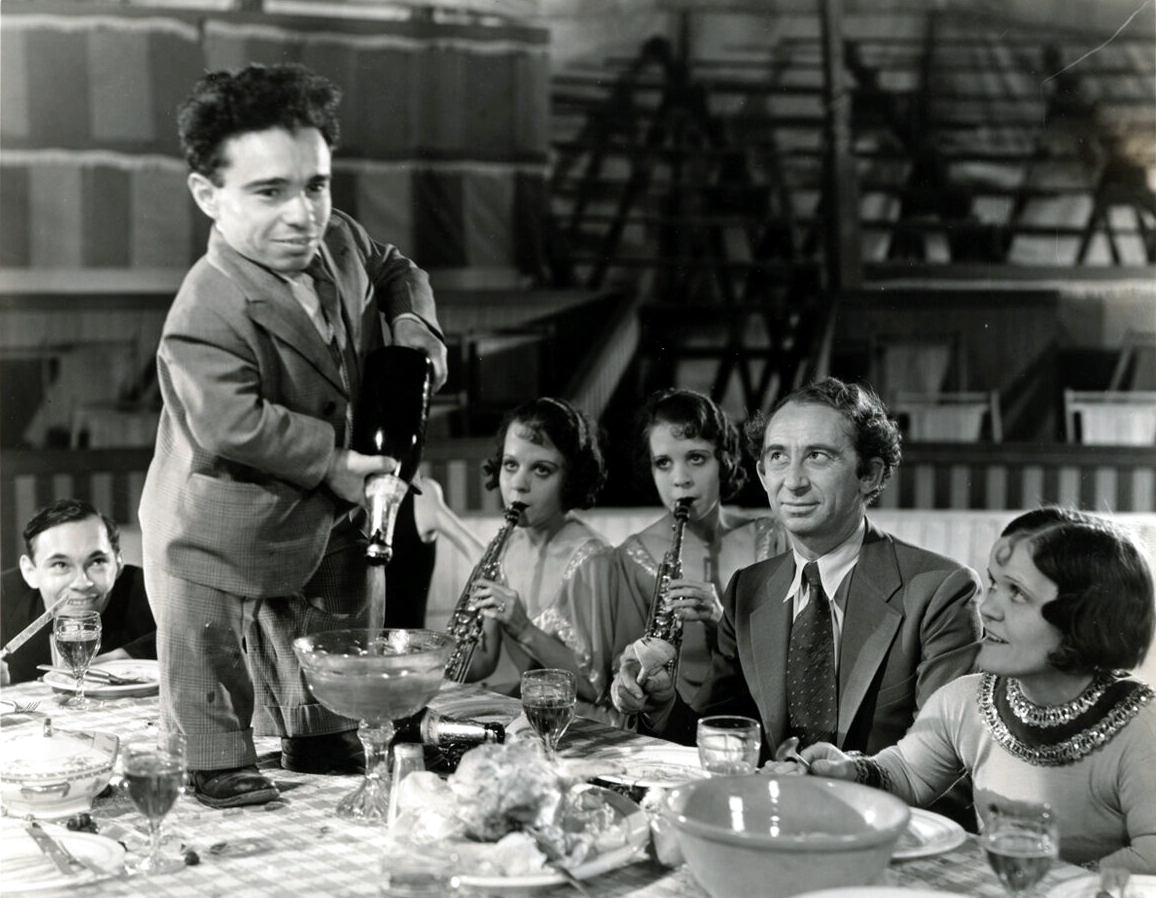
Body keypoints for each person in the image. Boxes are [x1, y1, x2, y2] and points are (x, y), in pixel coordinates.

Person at [139, 63, 448, 809]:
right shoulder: (207, 306)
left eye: (316, 185)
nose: (301, 213)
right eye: (269, 191)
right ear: (208, 197)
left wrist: (411, 323)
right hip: (219, 514)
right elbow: (230, 420)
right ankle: (216, 757)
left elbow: (395, 267)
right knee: (205, 633)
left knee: (342, 610)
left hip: (328, 510)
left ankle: (321, 729)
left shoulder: (338, 241)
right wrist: (336, 461)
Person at [612, 377, 982, 760]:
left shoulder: (941, 591)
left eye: (817, 456)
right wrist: (662, 704)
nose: (792, 481)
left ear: (869, 473)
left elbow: (945, 762)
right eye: (778, 457)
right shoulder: (746, 591)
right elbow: (719, 739)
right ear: (762, 476)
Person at [802, 508, 1156, 873]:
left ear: (1084, 616)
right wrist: (849, 771)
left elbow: (1152, 855)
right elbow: (908, 774)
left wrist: (1049, 885)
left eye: (1016, 592)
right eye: (994, 584)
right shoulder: (967, 701)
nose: (987, 609)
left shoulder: (1141, 726)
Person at [614, 389, 788, 706]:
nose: (680, 479)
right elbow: (623, 664)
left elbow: (790, 657)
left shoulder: (773, 538)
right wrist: (626, 682)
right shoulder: (630, 555)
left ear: (723, 461)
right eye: (663, 463)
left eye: (696, 458)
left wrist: (723, 623)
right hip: (669, 730)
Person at [456, 398, 623, 721]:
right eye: (510, 465)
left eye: (541, 470)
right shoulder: (501, 549)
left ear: (570, 478)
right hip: (529, 720)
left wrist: (523, 628)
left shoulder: (595, 559)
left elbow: (597, 688)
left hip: (586, 729)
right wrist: (430, 661)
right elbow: (484, 659)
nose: (519, 484)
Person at [1, 499, 154, 686]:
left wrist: (127, 655)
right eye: (61, 565)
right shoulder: (4, 596)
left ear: (118, 562)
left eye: (97, 562)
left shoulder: (150, 589)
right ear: (30, 572)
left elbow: (193, 636)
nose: (82, 583)